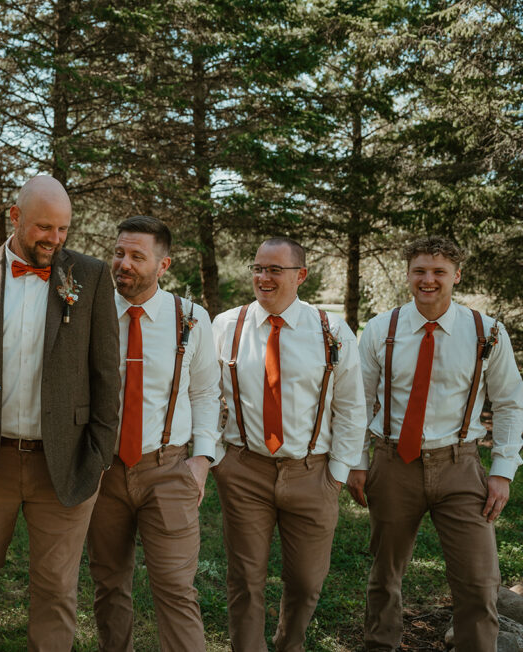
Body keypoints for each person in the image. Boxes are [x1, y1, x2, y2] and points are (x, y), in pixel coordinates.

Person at [0, 174, 120, 651]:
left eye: (62, 229)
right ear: (15, 218)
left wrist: (97, 453)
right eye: (43, 228)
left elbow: (107, 376)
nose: (54, 239)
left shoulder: (90, 276)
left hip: (65, 461)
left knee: (56, 590)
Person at [347, 235, 523, 651]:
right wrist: (357, 461)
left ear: (456, 276)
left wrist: (501, 472)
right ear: (408, 275)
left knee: (480, 581)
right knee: (384, 575)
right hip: (392, 463)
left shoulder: (486, 333)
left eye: (439, 272)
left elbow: (511, 404)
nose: (428, 280)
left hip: (461, 464)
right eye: (420, 271)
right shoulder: (380, 329)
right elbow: (358, 402)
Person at [211, 237, 366, 652]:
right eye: (258, 268)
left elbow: (351, 407)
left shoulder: (331, 330)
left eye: (275, 269)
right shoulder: (227, 325)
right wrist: (217, 458)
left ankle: (288, 644)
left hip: (312, 473)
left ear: (301, 275)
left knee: (307, 581)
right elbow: (209, 396)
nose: (263, 277)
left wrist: (336, 474)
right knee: (245, 578)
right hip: (244, 471)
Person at [86, 216, 219, 651]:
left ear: (163, 265)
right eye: (119, 253)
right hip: (104, 472)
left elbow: (205, 393)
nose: (123, 264)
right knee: (108, 585)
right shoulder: (93, 310)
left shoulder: (191, 318)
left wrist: (201, 460)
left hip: (168, 469)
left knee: (177, 590)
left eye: (137, 256)